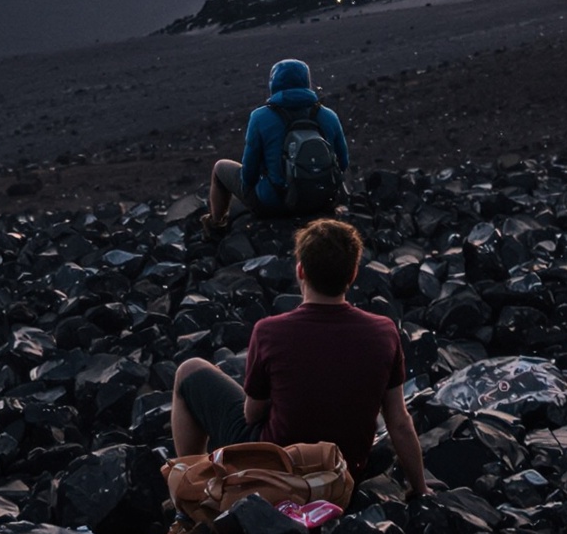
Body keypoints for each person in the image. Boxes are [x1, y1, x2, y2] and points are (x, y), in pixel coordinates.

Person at [164, 216, 426, 500]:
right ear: (352, 274)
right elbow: (399, 422)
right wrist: (420, 489)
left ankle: (191, 490)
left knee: (189, 370)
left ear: (300, 270)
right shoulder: (384, 332)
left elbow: (251, 414)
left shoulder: (270, 331)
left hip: (275, 472)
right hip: (343, 473)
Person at [206, 58, 350, 235]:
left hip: (275, 205)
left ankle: (215, 225)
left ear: (273, 83)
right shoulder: (328, 115)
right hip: (322, 202)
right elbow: (343, 163)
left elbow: (248, 175)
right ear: (307, 82)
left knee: (220, 168)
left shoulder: (260, 117)